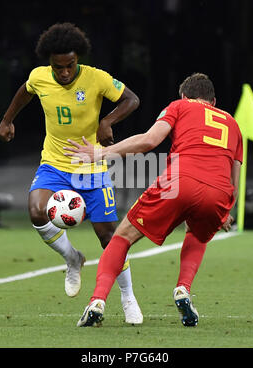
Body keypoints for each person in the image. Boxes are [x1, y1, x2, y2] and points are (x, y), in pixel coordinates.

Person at [64, 73, 243, 327]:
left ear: (184, 96)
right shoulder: (233, 124)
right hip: (219, 192)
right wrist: (224, 211)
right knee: (198, 234)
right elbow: (234, 180)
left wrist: (102, 152)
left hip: (181, 181)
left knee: (122, 236)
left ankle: (97, 301)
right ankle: (183, 289)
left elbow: (149, 140)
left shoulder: (179, 106)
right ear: (213, 102)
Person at [0, 23, 143, 324]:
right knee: (37, 211)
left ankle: (128, 296)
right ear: (49, 62)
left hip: (91, 166)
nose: (64, 72)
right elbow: (24, 92)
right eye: (58, 67)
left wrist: (107, 122)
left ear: (79, 58)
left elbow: (132, 99)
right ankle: (72, 258)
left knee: (108, 237)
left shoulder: (96, 77)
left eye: (70, 66)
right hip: (54, 164)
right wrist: (7, 119)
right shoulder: (39, 76)